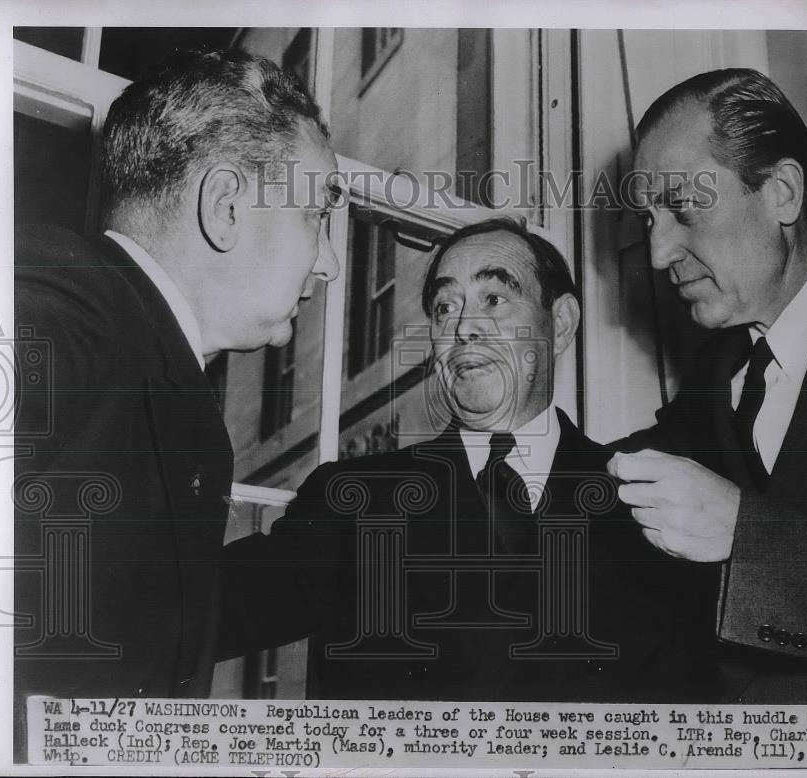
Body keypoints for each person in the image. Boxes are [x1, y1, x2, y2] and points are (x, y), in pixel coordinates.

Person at [223, 217, 711, 702]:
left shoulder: (650, 499)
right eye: (444, 307)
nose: (463, 327)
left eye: (493, 299)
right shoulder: (353, 500)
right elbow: (196, 607)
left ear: (559, 325)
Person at [13, 49, 339, 752]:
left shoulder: (149, 361)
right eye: (316, 215)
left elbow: (123, 612)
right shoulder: (59, 308)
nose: (329, 263)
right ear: (225, 208)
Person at [610, 68, 807, 758]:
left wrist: (745, 534)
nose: (659, 253)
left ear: (781, 193)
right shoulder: (716, 375)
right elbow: (607, 475)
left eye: (684, 210)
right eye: (649, 221)